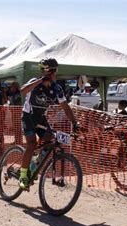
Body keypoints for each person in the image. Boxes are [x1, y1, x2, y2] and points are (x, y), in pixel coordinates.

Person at [19, 58, 78, 190]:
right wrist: (41, 80)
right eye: (50, 72)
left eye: (54, 71)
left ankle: (34, 163)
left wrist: (74, 122)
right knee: (31, 143)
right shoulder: (35, 82)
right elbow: (22, 90)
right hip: (28, 116)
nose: (53, 74)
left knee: (50, 138)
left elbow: (65, 107)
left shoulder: (57, 88)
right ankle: (23, 175)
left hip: (40, 118)